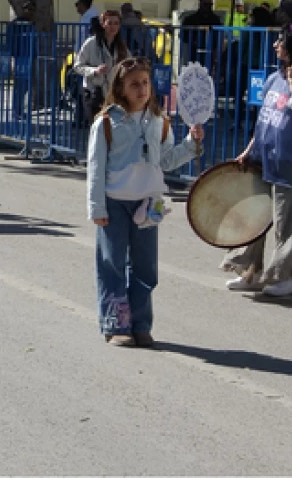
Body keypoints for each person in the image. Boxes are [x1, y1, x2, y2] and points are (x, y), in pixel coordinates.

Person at [87, 57, 205, 347]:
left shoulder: (159, 122)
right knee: (112, 264)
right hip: (114, 204)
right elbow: (95, 167)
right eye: (134, 84)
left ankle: (140, 323)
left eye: (145, 83)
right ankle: (116, 325)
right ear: (120, 88)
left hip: (148, 205)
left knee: (145, 268)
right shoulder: (106, 123)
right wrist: (96, 207)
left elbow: (166, 160)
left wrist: (191, 144)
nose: (142, 89)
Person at [221, 24, 292, 297]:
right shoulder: (273, 78)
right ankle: (250, 272)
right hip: (264, 158)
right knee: (255, 216)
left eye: (280, 41)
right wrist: (249, 149)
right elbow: (265, 121)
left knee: (286, 222)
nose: (275, 45)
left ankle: (283, 277)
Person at [74, 10, 129, 125]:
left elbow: (129, 63)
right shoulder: (91, 43)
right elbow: (78, 66)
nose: (113, 27)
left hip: (113, 94)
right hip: (94, 92)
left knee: (111, 130)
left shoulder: (121, 46)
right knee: (97, 128)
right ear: (103, 24)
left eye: (116, 23)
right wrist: (94, 70)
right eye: (110, 23)